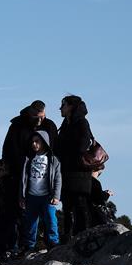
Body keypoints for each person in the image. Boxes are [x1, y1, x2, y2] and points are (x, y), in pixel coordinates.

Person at [1, 100, 58, 252]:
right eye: (35, 117)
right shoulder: (17, 125)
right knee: (20, 215)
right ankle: (19, 247)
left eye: (42, 117)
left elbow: (55, 151)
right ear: (29, 113)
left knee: (48, 216)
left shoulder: (50, 126)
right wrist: (13, 171)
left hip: (45, 180)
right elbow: (8, 150)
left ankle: (51, 245)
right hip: (19, 176)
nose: (39, 121)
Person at [56, 95, 95, 242]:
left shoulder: (81, 123)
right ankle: (67, 238)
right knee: (67, 207)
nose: (60, 108)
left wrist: (65, 152)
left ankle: (83, 238)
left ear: (71, 107)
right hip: (66, 171)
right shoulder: (66, 123)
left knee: (80, 206)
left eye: (63, 105)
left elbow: (83, 144)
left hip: (79, 173)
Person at [18, 131, 61, 253]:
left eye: (37, 141)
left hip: (47, 197)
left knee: (51, 220)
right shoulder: (28, 159)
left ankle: (54, 243)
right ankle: (29, 246)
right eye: (32, 141)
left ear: (44, 142)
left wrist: (56, 195)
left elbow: (58, 178)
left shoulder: (53, 160)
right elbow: (22, 180)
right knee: (30, 223)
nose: (34, 144)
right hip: (31, 196)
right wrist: (21, 197)